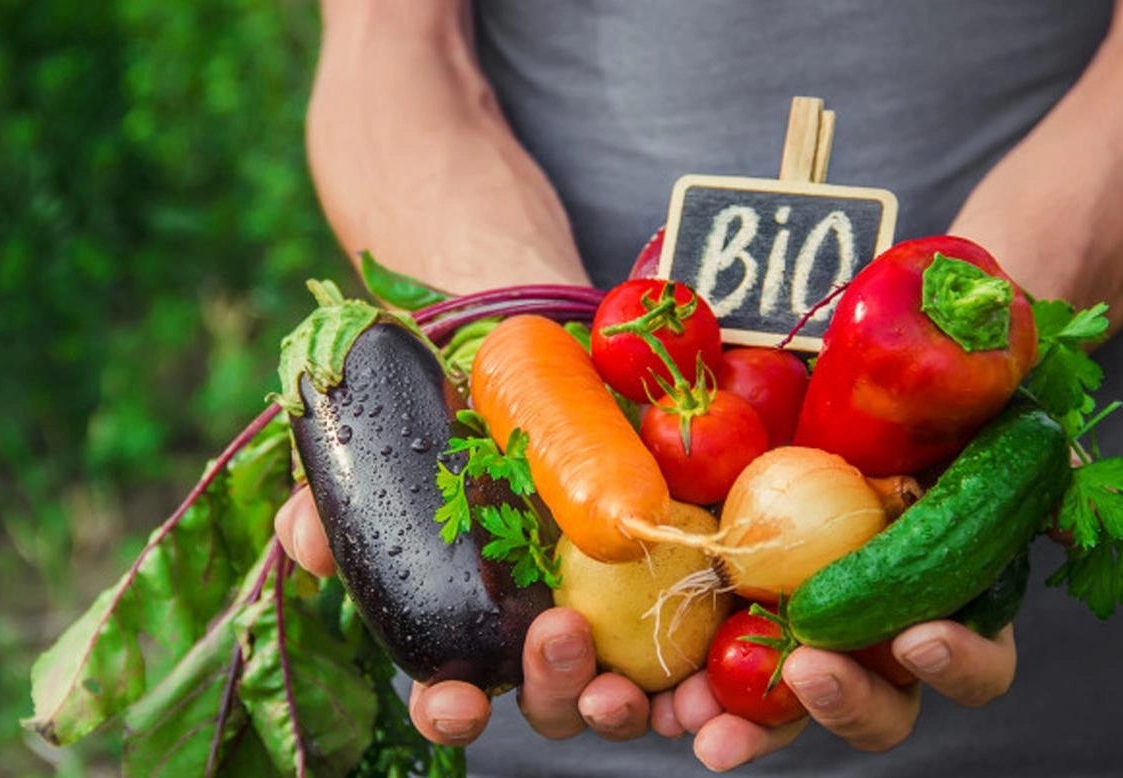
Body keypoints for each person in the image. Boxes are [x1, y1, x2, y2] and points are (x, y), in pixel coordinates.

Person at [277, 1, 1123, 774]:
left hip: (1022, 644)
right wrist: (519, 357)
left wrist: (987, 348)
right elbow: (386, 43)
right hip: (535, 611)